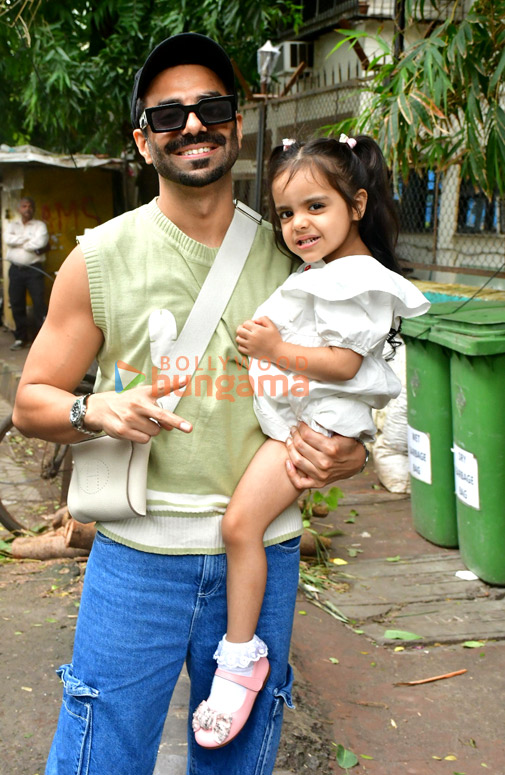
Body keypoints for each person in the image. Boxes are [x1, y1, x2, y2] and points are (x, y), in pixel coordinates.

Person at [12, 33, 367, 775]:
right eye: (168, 116)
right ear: (144, 141)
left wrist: (348, 453)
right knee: (98, 753)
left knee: (240, 755)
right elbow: (31, 402)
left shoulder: (300, 257)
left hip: (262, 554)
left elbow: (349, 395)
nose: (193, 125)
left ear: (236, 124)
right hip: (136, 559)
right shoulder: (99, 256)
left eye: (210, 107)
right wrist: (95, 411)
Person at [192, 135, 431, 748]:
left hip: (319, 426)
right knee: (242, 526)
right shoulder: (325, 272)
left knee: (240, 526)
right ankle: (242, 655)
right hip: (310, 418)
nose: (298, 224)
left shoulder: (356, 279)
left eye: (314, 207)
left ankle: (240, 661)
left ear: (356, 204)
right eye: (286, 213)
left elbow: (346, 364)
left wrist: (273, 350)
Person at [5, 196, 49, 350]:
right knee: (16, 303)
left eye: (30, 206)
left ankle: (40, 340)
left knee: (39, 304)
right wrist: (27, 240)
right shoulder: (12, 225)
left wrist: (19, 242)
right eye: (24, 206)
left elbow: (40, 242)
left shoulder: (40, 226)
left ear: (34, 209)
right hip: (15, 270)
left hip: (34, 270)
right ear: (19, 209)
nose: (27, 209)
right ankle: (21, 338)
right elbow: (7, 239)